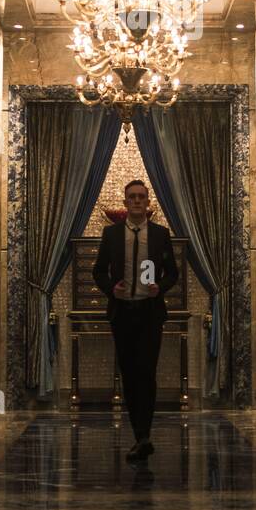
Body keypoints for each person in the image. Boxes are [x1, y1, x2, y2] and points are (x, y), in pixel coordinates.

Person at [92, 179, 179, 462]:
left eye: (142, 197)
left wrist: (160, 288)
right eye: (133, 197)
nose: (138, 201)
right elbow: (98, 272)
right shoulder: (112, 234)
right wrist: (111, 289)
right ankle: (139, 433)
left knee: (147, 372)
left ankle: (145, 434)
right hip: (123, 312)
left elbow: (172, 273)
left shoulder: (160, 234)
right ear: (126, 202)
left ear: (148, 201)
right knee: (129, 374)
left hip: (150, 312)